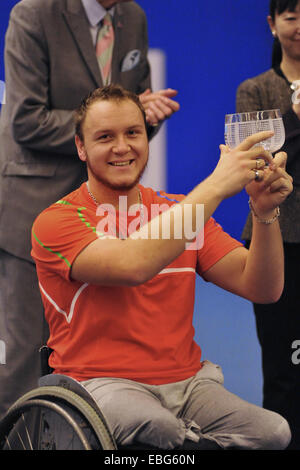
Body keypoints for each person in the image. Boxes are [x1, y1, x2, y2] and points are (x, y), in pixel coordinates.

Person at [30, 84, 293, 450]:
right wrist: (217, 184)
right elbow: (132, 265)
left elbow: (262, 288)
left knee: (274, 432)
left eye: (133, 133)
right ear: (80, 147)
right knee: (161, 430)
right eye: (105, 137)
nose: (122, 147)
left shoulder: (181, 210)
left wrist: (264, 212)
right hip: (98, 385)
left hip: (190, 385)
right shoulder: (55, 221)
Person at [0, 0, 180, 420]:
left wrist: (145, 116)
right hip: (34, 207)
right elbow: (25, 119)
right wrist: (107, 126)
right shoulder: (34, 14)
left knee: (99, 352)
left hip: (106, 216)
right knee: (27, 353)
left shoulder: (133, 17)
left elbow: (129, 112)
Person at [236, 0, 300, 450]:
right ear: (272, 24)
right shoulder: (255, 91)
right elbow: (254, 168)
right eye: (292, 16)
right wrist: (295, 120)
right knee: (284, 364)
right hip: (279, 242)